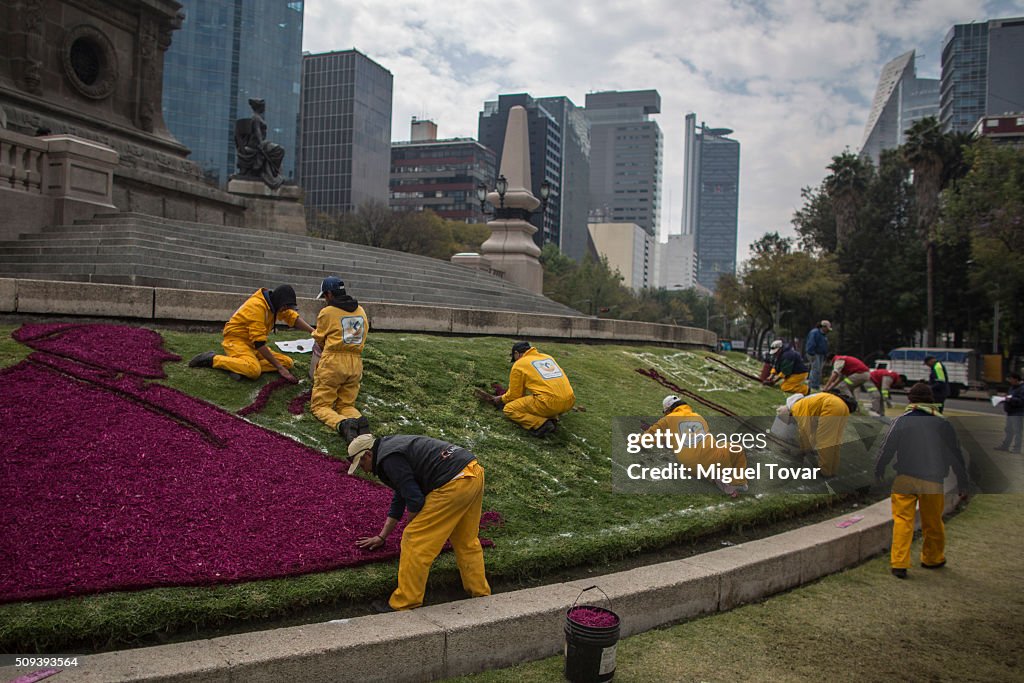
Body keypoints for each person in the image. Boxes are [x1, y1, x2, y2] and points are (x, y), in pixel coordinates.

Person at [348, 433, 491, 611]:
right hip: (472, 473)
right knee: (466, 540)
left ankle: (405, 602)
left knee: (414, 540)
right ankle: (480, 592)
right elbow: (401, 495)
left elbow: (415, 500)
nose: (363, 469)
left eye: (361, 463)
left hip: (453, 483)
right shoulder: (391, 448)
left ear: (368, 454)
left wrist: (412, 527)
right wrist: (382, 536)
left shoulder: (388, 460)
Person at [874, 383, 969, 579]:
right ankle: (932, 559)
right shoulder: (943, 424)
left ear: (910, 400)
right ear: (931, 400)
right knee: (933, 522)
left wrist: (880, 467)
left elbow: (887, 447)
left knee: (902, 521)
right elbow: (955, 455)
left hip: (904, 478)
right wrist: (963, 481)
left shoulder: (901, 421)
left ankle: (899, 563)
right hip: (933, 481)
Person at [188, 285, 313, 383]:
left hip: (251, 344)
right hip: (236, 341)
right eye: (285, 308)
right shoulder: (257, 307)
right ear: (281, 304)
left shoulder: (275, 304)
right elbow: (259, 343)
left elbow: (292, 318)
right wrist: (280, 369)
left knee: (287, 362)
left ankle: (238, 367)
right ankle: (211, 359)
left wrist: (313, 332)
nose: (285, 311)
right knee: (254, 371)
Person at [646, 395, 750, 497]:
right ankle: (736, 481)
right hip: (711, 460)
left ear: (668, 410)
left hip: (690, 468)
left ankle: (715, 476)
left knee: (699, 457)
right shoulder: (699, 417)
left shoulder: (668, 420)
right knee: (734, 448)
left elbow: (653, 436)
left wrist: (636, 441)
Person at [309, 276, 370, 443]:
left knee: (320, 406)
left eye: (325, 296)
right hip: (355, 363)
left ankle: (342, 424)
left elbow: (320, 338)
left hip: (333, 363)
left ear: (329, 294)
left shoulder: (327, 312)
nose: (325, 300)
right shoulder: (361, 311)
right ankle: (359, 422)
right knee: (346, 405)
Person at [486, 342, 575, 437]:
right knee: (539, 398)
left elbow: (515, 395)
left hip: (548, 403)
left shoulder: (519, 364)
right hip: (569, 400)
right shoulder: (547, 357)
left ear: (516, 353)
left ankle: (542, 425)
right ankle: (553, 418)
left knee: (509, 409)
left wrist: (500, 399)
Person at [786, 390, 855, 477]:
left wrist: (803, 450)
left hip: (831, 406)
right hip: (843, 407)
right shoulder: (807, 402)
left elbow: (804, 430)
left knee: (825, 439)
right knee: (835, 439)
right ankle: (832, 469)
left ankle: (825, 471)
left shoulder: (796, 407)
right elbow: (813, 431)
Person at [996, 372, 1024, 453]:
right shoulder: (1012, 387)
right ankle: (1005, 446)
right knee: (1009, 430)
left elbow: (1022, 401)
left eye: (1010, 379)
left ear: (1016, 379)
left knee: (1017, 431)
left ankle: (1017, 448)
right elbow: (1010, 396)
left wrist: (1011, 399)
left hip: (1017, 412)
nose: (1009, 381)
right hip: (1010, 412)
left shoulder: (1022, 388)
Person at [804, 320, 832, 390]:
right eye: (827, 329)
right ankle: (812, 386)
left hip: (821, 354)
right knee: (815, 369)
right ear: (823, 327)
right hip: (814, 353)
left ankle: (816, 385)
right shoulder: (815, 333)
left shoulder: (823, 335)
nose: (828, 331)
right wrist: (812, 353)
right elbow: (811, 343)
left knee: (819, 370)